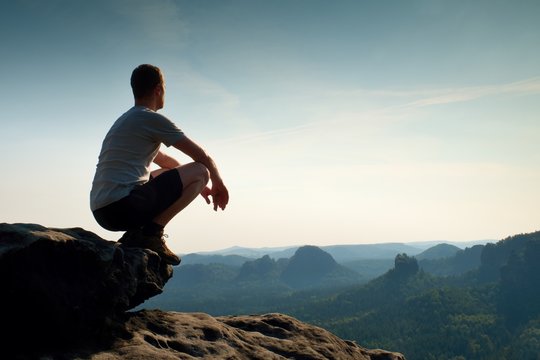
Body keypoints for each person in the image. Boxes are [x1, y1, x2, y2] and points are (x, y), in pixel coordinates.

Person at [90, 64, 229, 265]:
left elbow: (164, 160)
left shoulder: (127, 120)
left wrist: (199, 187)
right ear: (158, 89)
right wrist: (217, 182)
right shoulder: (151, 118)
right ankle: (152, 233)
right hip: (122, 207)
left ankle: (137, 233)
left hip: (102, 211)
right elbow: (201, 156)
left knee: (169, 170)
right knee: (201, 170)